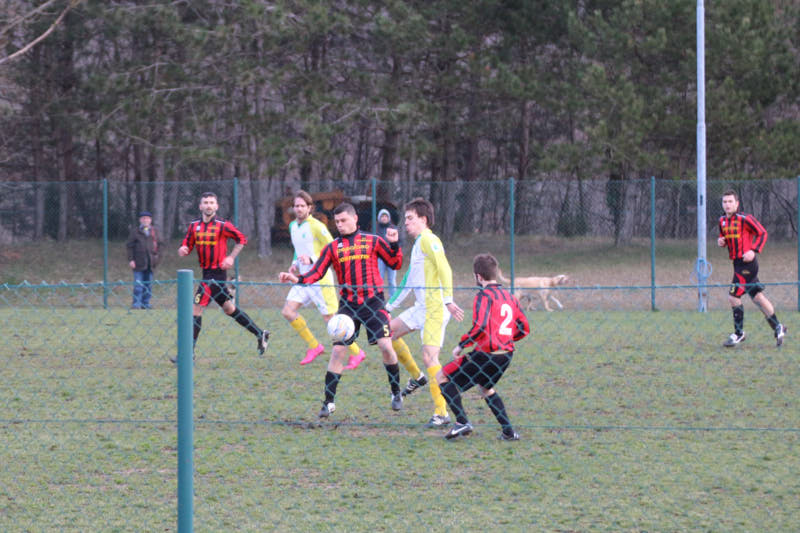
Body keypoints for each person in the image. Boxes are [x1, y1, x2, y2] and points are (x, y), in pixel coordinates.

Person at [279, 202, 404, 418]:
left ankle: (395, 392)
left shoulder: (373, 241)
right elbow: (316, 273)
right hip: (348, 306)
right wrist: (297, 279)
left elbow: (395, 263)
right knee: (338, 351)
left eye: (343, 220)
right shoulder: (332, 248)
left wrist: (394, 245)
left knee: (385, 345)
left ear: (355, 219)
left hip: (373, 303)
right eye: (337, 221)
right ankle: (328, 402)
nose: (340, 224)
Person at [385, 198, 464, 428]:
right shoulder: (419, 243)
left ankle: (442, 412)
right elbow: (408, 281)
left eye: (410, 218)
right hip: (421, 307)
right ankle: (417, 377)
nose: (406, 223)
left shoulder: (430, 239)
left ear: (424, 219)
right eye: (406, 218)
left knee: (430, 357)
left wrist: (448, 299)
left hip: (436, 308)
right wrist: (388, 307)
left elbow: (445, 268)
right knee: (387, 333)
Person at [437, 253, 529, 441]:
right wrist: (506, 339)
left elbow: (480, 326)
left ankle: (462, 422)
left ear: (478, 277)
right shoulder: (510, 297)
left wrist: (461, 345)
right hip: (506, 355)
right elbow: (524, 328)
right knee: (486, 388)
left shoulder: (484, 296)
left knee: (442, 376)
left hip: (486, 355)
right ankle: (508, 432)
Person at [176, 192, 269, 361]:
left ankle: (188, 353)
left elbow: (241, 239)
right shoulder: (194, 226)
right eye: (206, 202)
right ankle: (260, 333)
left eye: (212, 202)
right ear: (200, 206)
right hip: (206, 273)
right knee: (229, 309)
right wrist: (183, 249)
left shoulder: (223, 225)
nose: (209, 205)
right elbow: (187, 245)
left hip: (216, 275)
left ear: (216, 206)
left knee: (195, 309)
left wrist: (231, 257)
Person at [282, 190, 367, 368]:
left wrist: (312, 259)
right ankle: (314, 346)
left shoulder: (316, 226)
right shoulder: (293, 226)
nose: (298, 209)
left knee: (332, 320)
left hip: (320, 279)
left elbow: (332, 246)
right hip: (303, 279)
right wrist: (294, 264)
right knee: (288, 311)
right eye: (296, 206)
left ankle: (357, 352)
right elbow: (298, 249)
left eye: (302, 206)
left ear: (310, 208)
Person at [717, 190, 786, 348]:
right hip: (737, 264)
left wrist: (753, 251)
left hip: (748, 264)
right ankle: (778, 327)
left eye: (730, 202)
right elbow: (725, 237)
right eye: (725, 202)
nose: (727, 205)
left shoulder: (745, 219)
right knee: (757, 297)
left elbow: (762, 233)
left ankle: (739, 333)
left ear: (737, 204)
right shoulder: (722, 220)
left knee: (733, 297)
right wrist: (722, 241)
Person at [126, 210, 161, 309]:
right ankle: (136, 304)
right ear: (140, 220)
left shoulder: (155, 232)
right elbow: (129, 246)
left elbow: (160, 245)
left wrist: (157, 258)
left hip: (150, 263)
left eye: (147, 218)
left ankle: (145, 303)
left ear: (150, 220)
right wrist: (131, 260)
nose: (145, 220)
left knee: (148, 285)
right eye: (143, 218)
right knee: (138, 285)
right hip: (138, 263)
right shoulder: (135, 232)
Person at [376, 208, 398, 297]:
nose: (384, 218)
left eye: (386, 216)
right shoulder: (376, 229)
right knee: (379, 279)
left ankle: (393, 298)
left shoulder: (394, 228)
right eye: (382, 216)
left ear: (389, 218)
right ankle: (379, 297)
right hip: (380, 258)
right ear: (379, 218)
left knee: (392, 280)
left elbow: (399, 242)